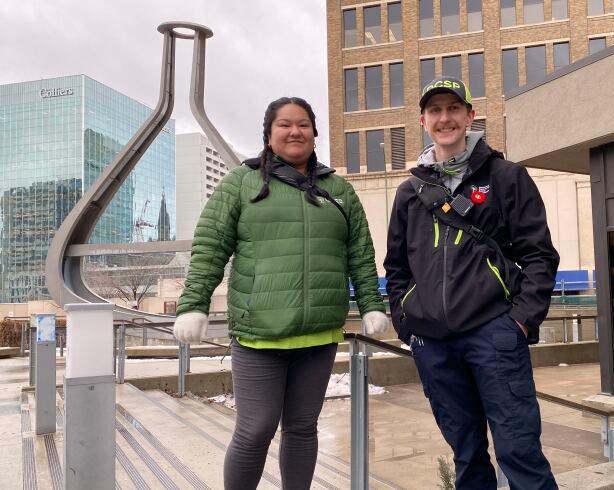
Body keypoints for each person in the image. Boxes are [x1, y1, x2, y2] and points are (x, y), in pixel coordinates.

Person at [173, 96, 389, 490]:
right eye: (285, 124)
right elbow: (210, 246)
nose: (295, 131)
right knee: (255, 429)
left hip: (319, 332)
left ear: (314, 132)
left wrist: (372, 303)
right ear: (269, 135)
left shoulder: (338, 188)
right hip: (260, 332)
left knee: (303, 428)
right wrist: (193, 304)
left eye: (303, 124)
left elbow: (359, 251)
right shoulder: (242, 182)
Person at [384, 77, 560, 489]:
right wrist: (407, 323)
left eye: (453, 109)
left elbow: (538, 254)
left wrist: (519, 321)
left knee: (519, 450)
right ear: (423, 121)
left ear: (469, 116)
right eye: (435, 111)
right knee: (467, 455)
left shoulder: (505, 176)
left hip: (494, 333)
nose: (445, 118)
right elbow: (396, 267)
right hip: (433, 342)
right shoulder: (411, 192)